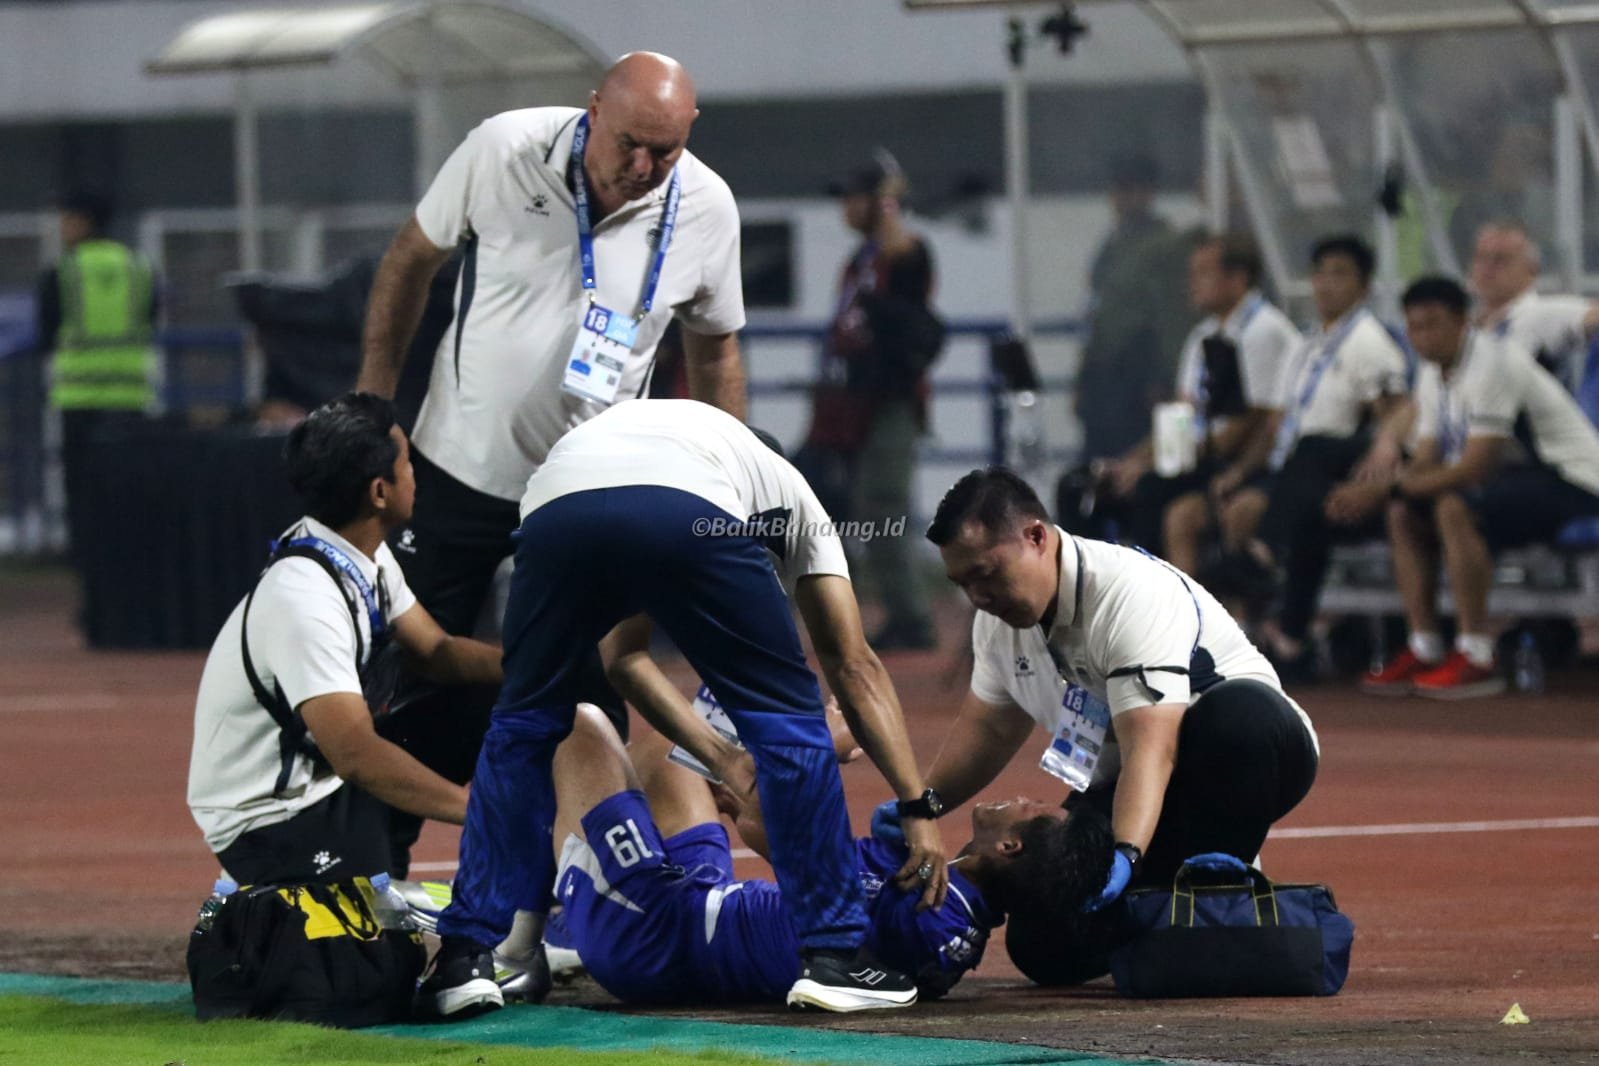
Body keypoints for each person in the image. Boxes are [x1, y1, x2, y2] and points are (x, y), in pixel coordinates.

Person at [354, 51, 749, 873]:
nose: (641, 167)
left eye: (664, 150)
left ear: (690, 135)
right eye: (628, 142)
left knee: (593, 691)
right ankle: (374, 870)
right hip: (455, 472)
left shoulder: (706, 207)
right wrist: (372, 405)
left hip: (590, 492)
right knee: (403, 675)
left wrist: (723, 484)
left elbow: (714, 353)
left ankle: (593, 879)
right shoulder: (502, 149)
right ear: (592, 109)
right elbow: (409, 260)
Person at [424, 398, 947, 1017]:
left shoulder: (681, 449)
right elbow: (853, 666)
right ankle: (833, 957)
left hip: (554, 504)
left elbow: (624, 660)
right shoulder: (792, 501)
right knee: (790, 724)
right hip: (684, 507)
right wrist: (916, 805)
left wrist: (723, 760)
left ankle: (463, 959)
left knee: (521, 727)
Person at [876, 468, 1319, 985]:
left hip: (1234, 760)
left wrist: (1126, 854)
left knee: (1240, 716)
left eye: (987, 573)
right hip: (1123, 784)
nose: (978, 596)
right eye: (963, 583)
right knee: (1038, 946)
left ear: (1036, 537)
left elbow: (1154, 749)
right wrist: (920, 804)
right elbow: (990, 730)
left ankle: (1211, 889)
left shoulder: (1128, 593)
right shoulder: (997, 624)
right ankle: (1169, 921)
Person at [186, 393, 503, 886]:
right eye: (408, 464)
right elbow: (354, 753)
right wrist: (482, 812)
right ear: (380, 492)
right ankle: (252, 899)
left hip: (327, 777)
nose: (416, 475)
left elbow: (437, 652)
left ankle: (388, 854)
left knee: (495, 694)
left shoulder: (359, 551)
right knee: (377, 936)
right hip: (270, 814)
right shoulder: (304, 598)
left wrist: (545, 666)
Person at [538, 702, 1042, 1007]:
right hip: (709, 908)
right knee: (673, 753)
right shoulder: (956, 913)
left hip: (653, 936)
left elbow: (778, 835)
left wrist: (827, 739)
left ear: (1009, 846)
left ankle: (524, 938)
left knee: (577, 723)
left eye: (1036, 810)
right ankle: (580, 900)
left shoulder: (925, 894)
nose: (1029, 798)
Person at [1331, 278, 1599, 698]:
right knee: (1403, 513)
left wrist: (1385, 490)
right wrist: (1390, 490)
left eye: (1432, 325)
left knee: (1454, 506)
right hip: (1519, 479)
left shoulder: (1495, 363)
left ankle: (1477, 653)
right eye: (1414, 327)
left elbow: (1475, 467)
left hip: (1573, 479)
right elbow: (1426, 456)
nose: (1422, 337)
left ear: (1462, 322)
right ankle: (1424, 645)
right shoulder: (1432, 372)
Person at [1205, 236, 1412, 679]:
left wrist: (1383, 452)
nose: (1326, 283)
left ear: (1363, 286)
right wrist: (1241, 471)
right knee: (1250, 504)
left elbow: (1394, 413)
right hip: (1294, 469)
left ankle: (1262, 555)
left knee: (1311, 454)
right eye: (1320, 273)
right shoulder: (1307, 343)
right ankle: (1271, 639)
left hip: (1342, 465)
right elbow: (1276, 423)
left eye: (1340, 274)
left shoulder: (1369, 342)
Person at [798, 150, 944, 651]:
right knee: (834, 503)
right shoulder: (858, 260)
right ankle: (848, 610)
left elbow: (909, 274)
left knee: (882, 505)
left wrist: (889, 208)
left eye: (855, 198)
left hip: (888, 401)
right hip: (849, 402)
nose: (845, 208)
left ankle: (910, 616)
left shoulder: (904, 252)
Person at [1098, 234, 1299, 573]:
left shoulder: (1265, 332)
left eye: (1204, 272)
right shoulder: (1202, 336)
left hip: (1240, 464)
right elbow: (1182, 415)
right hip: (1198, 456)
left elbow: (1248, 425)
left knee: (1149, 491)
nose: (1191, 283)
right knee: (1090, 487)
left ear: (1238, 278)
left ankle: (1157, 595)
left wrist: (1158, 464)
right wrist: (1133, 460)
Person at [35, 190, 159, 579]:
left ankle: (88, 565)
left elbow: (47, 332)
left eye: (66, 219)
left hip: (79, 398)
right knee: (128, 489)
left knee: (82, 490)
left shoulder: (64, 271)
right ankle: (131, 560)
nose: (61, 227)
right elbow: (150, 319)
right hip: (131, 397)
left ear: (83, 221)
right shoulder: (139, 267)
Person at [1074, 154, 1198, 460]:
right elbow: (1099, 315)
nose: (1123, 198)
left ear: (1148, 193)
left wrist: (1164, 379)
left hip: (1142, 375)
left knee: (1154, 464)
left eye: (1132, 189)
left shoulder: (1166, 245)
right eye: (1119, 189)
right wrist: (1084, 377)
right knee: (1099, 466)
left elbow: (1172, 318)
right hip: (1107, 376)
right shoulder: (1113, 244)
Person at [1467, 220, 1599, 391]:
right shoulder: (1466, 325)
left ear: (1531, 269)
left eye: (1501, 259)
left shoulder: (1538, 314)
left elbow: (1592, 316)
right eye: (1481, 258)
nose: (1488, 267)